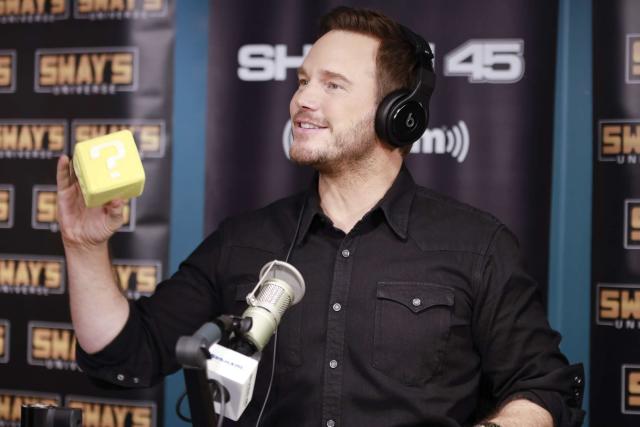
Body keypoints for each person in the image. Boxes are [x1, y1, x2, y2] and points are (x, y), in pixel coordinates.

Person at [56, 6, 585, 427]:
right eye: (303, 80)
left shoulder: (477, 245)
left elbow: (542, 386)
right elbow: (128, 355)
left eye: (332, 85)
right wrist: (84, 247)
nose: (302, 100)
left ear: (398, 114)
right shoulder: (243, 240)